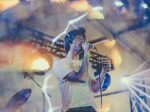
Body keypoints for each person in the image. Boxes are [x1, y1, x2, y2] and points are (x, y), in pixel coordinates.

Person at [52, 27, 108, 112]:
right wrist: (86, 53)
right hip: (72, 109)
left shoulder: (86, 64)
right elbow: (80, 78)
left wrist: (103, 71)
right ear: (70, 42)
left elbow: (95, 89)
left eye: (83, 39)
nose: (83, 41)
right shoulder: (59, 64)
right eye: (79, 38)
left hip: (90, 109)